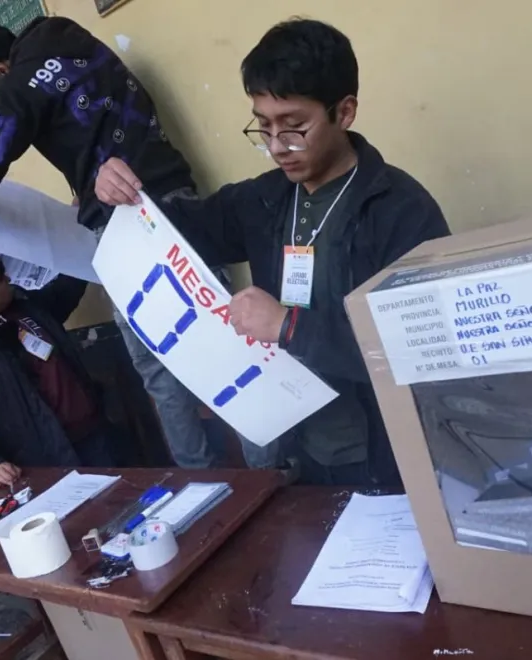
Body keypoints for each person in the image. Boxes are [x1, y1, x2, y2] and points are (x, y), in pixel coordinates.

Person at [94, 19, 450, 486]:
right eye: (264, 128)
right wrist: (124, 190)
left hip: (385, 457)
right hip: (296, 450)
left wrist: (287, 325)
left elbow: (422, 347)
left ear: (344, 112)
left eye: (295, 127)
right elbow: (187, 227)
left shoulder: (400, 210)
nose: (279, 147)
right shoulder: (269, 199)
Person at [0, 15, 224, 471]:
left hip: (126, 222)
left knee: (157, 364)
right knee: (226, 331)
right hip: (175, 192)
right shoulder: (72, 38)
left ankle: (206, 479)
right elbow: (91, 126)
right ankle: (276, 473)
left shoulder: (17, 80)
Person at [0, 250, 119, 486]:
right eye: (2, 281)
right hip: (47, 458)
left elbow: (62, 294)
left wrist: (84, 252)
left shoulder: (22, 305)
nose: (10, 282)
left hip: (93, 433)